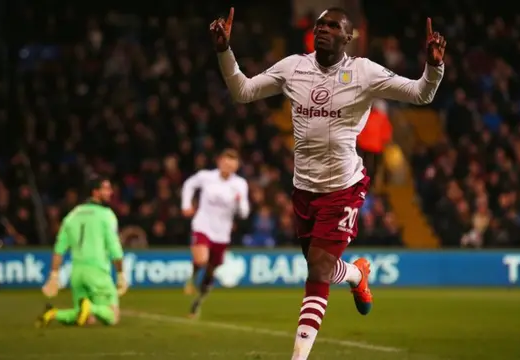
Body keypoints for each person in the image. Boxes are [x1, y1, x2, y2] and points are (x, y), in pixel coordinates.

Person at [210, 7, 446, 359]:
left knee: (318, 269)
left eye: (334, 26)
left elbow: (420, 94)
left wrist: (434, 67)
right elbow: (242, 91)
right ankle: (355, 275)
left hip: (343, 187)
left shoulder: (364, 72)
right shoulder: (293, 67)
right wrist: (224, 51)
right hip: (304, 189)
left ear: (349, 37)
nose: (324, 29)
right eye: (321, 24)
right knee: (320, 266)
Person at [37, 176, 128, 327]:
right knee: (113, 316)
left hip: (77, 273)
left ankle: (53, 314)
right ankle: (90, 306)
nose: (110, 192)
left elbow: (59, 249)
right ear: (95, 192)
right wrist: (120, 274)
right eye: (106, 189)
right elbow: (115, 248)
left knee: (86, 318)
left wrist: (54, 275)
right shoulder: (106, 215)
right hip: (97, 273)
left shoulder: (73, 215)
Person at [181, 148, 250, 317]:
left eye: (232, 164)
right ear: (219, 162)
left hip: (222, 233)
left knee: (211, 271)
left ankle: (198, 302)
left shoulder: (240, 184)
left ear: (236, 166)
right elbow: (189, 184)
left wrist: (240, 204)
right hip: (203, 225)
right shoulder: (206, 177)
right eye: (225, 162)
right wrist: (186, 205)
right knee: (201, 259)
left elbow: (245, 212)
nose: (228, 166)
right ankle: (192, 276)